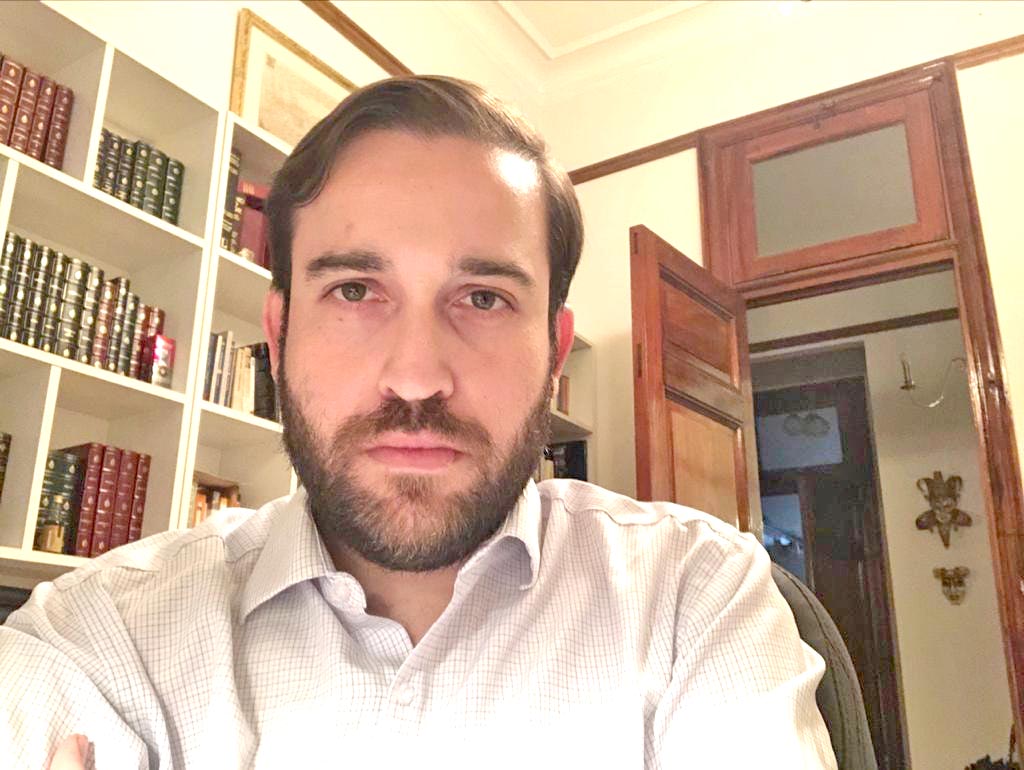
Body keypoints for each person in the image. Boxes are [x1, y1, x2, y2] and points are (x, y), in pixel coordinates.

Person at [1, 75, 837, 769]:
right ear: (279, 336)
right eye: (355, 291)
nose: (416, 375)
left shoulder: (695, 598)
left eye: (484, 298)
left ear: (554, 351)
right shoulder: (99, 641)